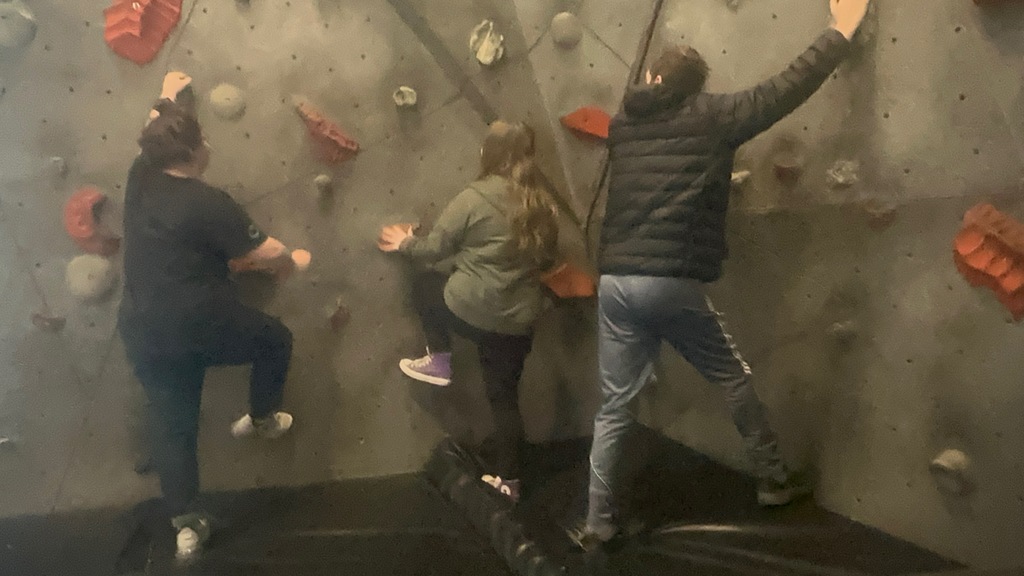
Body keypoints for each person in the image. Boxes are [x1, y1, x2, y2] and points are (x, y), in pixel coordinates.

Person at [571, 0, 872, 550]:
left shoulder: (624, 126)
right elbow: (789, 86)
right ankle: (774, 480)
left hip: (616, 280)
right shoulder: (713, 117)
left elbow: (662, 164)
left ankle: (597, 522)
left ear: (653, 78)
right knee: (732, 377)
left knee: (614, 407)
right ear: (694, 87)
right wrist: (841, 29)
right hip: (669, 279)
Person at [118, 82, 310, 560]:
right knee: (275, 341)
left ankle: (186, 525)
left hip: (145, 331)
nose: (211, 146)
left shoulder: (140, 175)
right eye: (203, 142)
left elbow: (150, 130)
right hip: (202, 327)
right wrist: (293, 263)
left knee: (174, 427)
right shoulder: (209, 203)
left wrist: (165, 97)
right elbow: (268, 253)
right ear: (193, 155)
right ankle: (262, 417)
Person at [378, 120, 560, 501]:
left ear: (487, 154)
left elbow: (432, 251)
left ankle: (440, 359)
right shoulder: (542, 203)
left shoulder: (473, 197)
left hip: (473, 311)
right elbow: (545, 261)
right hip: (519, 322)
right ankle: (509, 482)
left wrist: (405, 242)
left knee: (425, 285)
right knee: (504, 398)